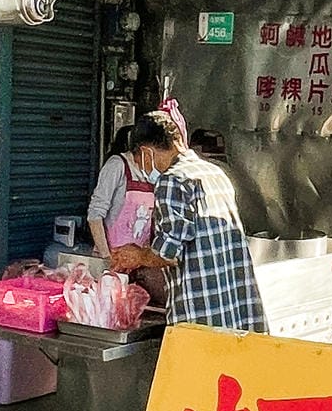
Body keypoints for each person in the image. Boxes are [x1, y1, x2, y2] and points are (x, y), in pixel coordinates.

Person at [109, 111, 267, 333]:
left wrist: (137, 255)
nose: (142, 169)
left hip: (201, 317)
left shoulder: (172, 180)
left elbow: (167, 254)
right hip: (236, 312)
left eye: (138, 162)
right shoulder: (214, 173)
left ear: (146, 153)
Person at [87, 125, 155, 262]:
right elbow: (95, 214)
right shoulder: (117, 165)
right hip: (112, 256)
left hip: (137, 259)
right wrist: (106, 257)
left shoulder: (152, 172)